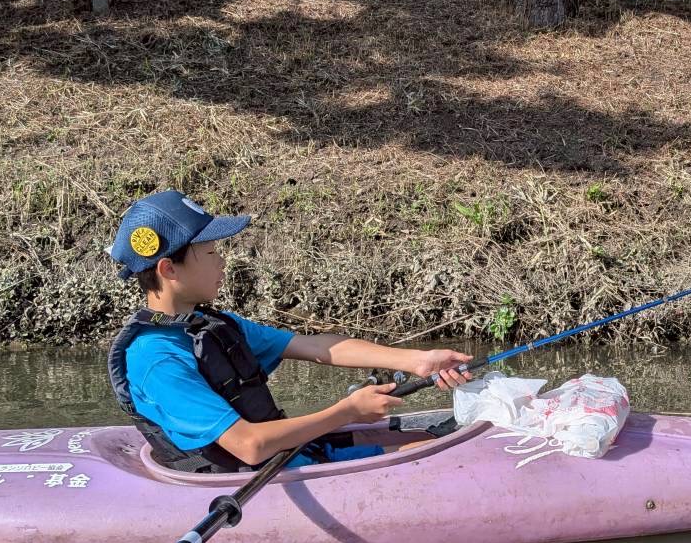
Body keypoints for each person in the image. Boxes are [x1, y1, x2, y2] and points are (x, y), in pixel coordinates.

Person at [105, 189, 473, 473]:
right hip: (252, 475)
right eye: (211, 252)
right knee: (436, 456)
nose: (223, 261)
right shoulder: (156, 359)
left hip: (287, 460)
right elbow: (248, 445)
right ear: (169, 269)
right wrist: (347, 411)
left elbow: (316, 346)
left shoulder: (209, 327)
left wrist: (418, 360)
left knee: (431, 439)